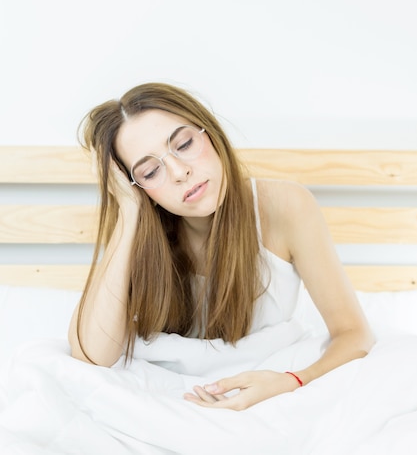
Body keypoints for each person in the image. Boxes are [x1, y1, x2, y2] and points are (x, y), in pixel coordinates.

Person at [68, 81, 374, 411]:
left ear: (210, 134)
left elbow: (353, 333)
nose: (180, 171)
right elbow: (91, 355)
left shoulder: (285, 205)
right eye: (151, 171)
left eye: (184, 144)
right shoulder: (142, 235)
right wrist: (129, 212)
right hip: (171, 401)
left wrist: (291, 380)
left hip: (270, 382)